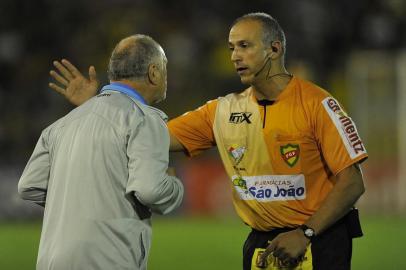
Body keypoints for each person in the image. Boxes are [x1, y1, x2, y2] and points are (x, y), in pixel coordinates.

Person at [49, 13, 367, 270]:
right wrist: (96, 107)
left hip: (317, 241)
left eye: (245, 46)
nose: (235, 56)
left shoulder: (318, 104)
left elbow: (352, 182)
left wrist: (306, 232)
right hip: (260, 245)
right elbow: (144, 138)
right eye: (231, 48)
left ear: (275, 49)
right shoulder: (223, 111)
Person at [18, 34, 184, 270]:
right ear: (154, 72)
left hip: (51, 261)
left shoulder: (59, 126)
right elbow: (151, 190)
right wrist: (175, 185)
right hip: (109, 260)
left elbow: (28, 186)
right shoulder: (144, 119)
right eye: (165, 68)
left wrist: (80, 201)